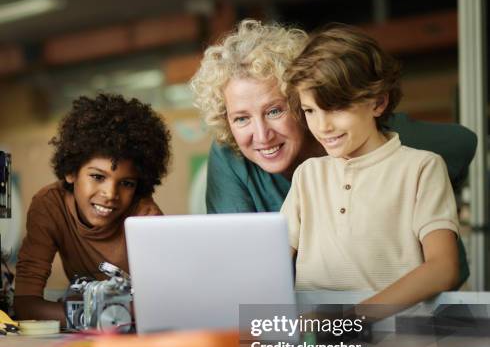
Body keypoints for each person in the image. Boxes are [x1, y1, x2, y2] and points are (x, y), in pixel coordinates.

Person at [190, 19, 476, 283]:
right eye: (241, 118)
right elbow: (245, 265)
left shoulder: (390, 142)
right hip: (321, 316)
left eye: (275, 110)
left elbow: (462, 143)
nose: (262, 135)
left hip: (413, 298)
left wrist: (400, 186)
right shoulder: (251, 161)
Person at [281, 23, 459, 310]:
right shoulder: (308, 175)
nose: (322, 126)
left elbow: (444, 268)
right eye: (310, 110)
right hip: (316, 341)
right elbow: (271, 262)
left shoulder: (421, 168)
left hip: (396, 341)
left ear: (378, 102)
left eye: (336, 108)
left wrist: (356, 319)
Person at [14, 93, 171, 323]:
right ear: (71, 171)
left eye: (126, 183)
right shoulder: (49, 206)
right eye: (98, 176)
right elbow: (25, 303)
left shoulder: (145, 217)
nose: (110, 194)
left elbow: (161, 305)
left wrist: (94, 317)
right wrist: (97, 318)